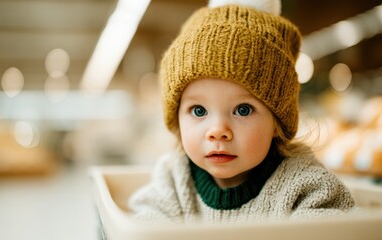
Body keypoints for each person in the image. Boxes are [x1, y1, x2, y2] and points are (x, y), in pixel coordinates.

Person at [128, 0, 356, 223]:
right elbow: (147, 223)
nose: (217, 131)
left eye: (243, 110)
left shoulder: (304, 184)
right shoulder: (173, 178)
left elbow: (333, 229)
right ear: (177, 120)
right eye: (198, 111)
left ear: (277, 121)